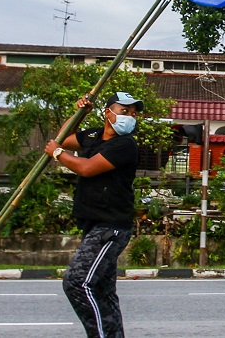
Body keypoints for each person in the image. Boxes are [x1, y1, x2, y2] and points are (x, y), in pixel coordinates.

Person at [45, 91, 142, 338]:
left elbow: (87, 168)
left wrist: (57, 154)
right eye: (124, 111)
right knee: (101, 290)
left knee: (77, 283)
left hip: (110, 227)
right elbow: (62, 138)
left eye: (133, 113)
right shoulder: (92, 136)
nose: (130, 117)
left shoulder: (125, 145)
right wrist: (79, 114)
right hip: (94, 224)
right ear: (107, 113)